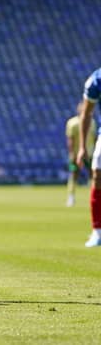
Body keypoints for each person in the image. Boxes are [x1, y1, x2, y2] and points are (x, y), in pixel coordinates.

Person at [77, 69, 101, 247]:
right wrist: (82, 147)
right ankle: (98, 231)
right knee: (97, 176)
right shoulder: (96, 80)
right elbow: (86, 114)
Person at [65, 101, 96, 207]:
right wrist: (72, 153)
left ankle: (93, 197)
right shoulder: (72, 123)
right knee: (74, 175)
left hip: (90, 153)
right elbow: (70, 140)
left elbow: (95, 139)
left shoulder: (92, 122)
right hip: (77, 153)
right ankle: (71, 197)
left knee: (95, 176)